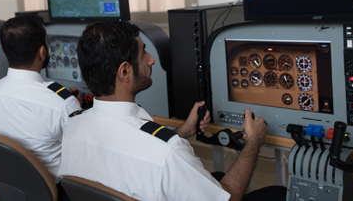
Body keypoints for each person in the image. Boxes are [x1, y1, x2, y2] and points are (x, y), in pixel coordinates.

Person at [59, 21, 286, 201]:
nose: (151, 60)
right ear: (125, 72)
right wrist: (253, 142)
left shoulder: (72, 126)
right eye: (143, 53)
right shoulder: (166, 152)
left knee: (214, 177)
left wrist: (183, 130)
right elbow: (227, 198)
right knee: (279, 193)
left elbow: (136, 156)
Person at [0, 16, 82, 201]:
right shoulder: (60, 104)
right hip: (56, 193)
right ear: (42, 52)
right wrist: (76, 109)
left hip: (14, 190)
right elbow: (85, 154)